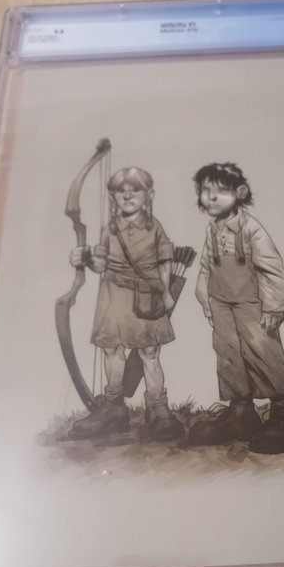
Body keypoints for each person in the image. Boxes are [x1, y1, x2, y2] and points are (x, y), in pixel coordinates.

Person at [190, 162, 284, 454]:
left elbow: (272, 269)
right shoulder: (212, 230)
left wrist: (274, 306)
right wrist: (205, 300)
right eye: (205, 190)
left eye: (220, 190)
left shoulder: (251, 229)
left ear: (240, 192)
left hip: (252, 305)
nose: (211, 197)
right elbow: (205, 268)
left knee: (263, 353)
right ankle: (241, 414)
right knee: (228, 355)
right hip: (221, 305)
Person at [69, 167, 184, 440]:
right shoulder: (110, 230)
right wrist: (83, 257)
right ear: (113, 197)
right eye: (121, 191)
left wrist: (165, 291)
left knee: (149, 353)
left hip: (146, 294)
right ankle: (114, 408)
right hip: (113, 295)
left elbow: (165, 260)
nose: (128, 195)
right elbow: (101, 264)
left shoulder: (154, 227)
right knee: (112, 350)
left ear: (148, 195)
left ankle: (157, 410)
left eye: (135, 190)